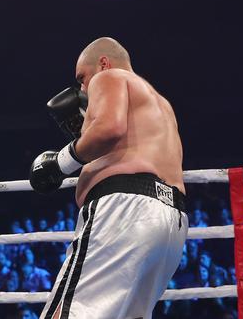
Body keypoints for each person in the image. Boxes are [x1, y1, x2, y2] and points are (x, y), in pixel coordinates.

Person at [30, 37, 188, 318]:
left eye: (82, 77)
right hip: (171, 221)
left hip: (124, 211)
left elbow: (109, 129)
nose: (81, 88)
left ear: (103, 63)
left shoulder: (110, 77)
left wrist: (60, 163)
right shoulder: (160, 105)